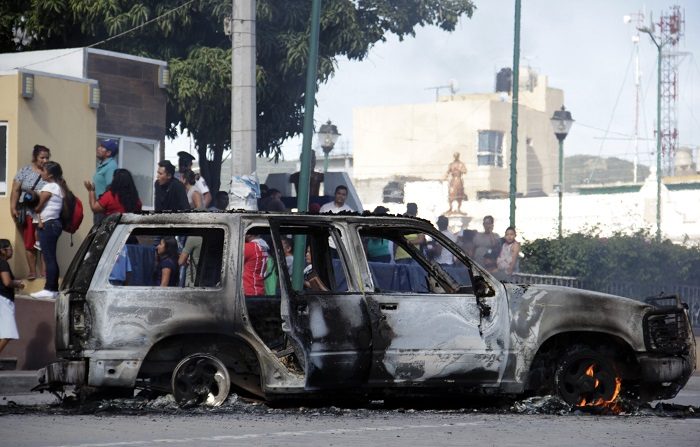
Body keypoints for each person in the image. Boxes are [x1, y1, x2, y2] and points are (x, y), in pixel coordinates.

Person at [9, 144, 50, 280]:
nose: (45, 161)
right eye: (42, 158)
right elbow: (15, 190)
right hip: (27, 212)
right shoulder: (24, 171)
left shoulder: (50, 172)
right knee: (29, 242)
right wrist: (13, 207)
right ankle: (32, 272)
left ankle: (44, 273)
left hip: (45, 213)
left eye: (47, 158)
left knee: (44, 243)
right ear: (35, 157)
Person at [31, 161, 69, 299]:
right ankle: (52, 289)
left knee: (49, 257)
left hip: (48, 224)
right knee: (50, 257)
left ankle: (49, 289)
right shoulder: (58, 187)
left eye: (43, 171)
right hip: (53, 224)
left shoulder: (50, 186)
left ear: (50, 174)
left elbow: (38, 207)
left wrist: (32, 204)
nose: (41, 173)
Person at [0, 240, 24, 355]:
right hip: (3, 300)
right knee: (9, 332)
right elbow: (7, 282)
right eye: (10, 248)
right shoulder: (3, 263)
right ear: (2, 250)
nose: (12, 251)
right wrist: (17, 284)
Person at [93, 139, 119, 224]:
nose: (98, 148)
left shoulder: (111, 166)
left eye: (102, 147)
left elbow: (110, 189)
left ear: (108, 153)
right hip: (100, 207)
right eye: (99, 146)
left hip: (104, 210)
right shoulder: (103, 164)